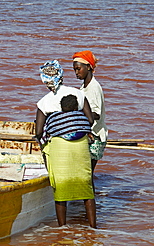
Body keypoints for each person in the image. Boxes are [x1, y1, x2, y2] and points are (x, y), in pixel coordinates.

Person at [35, 60, 96, 228]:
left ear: (44, 80)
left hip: (59, 147)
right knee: (86, 186)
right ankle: (93, 228)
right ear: (61, 75)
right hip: (81, 145)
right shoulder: (78, 93)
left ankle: (62, 228)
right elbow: (90, 120)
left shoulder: (44, 102)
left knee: (61, 188)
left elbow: (39, 132)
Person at [73, 50, 108, 172]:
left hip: (95, 136)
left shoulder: (93, 87)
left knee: (87, 172)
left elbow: (96, 114)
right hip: (89, 134)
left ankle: (90, 191)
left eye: (78, 69)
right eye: (75, 70)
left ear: (88, 67)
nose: (76, 73)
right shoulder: (84, 87)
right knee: (85, 171)